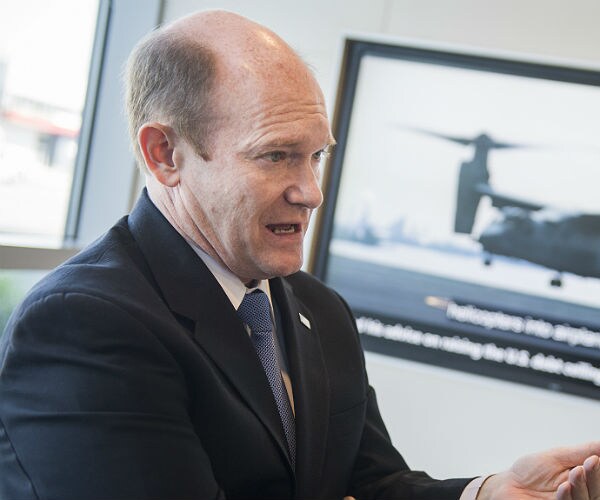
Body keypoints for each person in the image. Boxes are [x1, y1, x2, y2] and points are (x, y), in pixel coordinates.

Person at [0, 9, 598, 500]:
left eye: (315, 156)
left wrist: (486, 494)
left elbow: (373, 483)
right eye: (276, 156)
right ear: (165, 155)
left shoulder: (320, 309)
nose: (311, 192)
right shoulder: (82, 323)